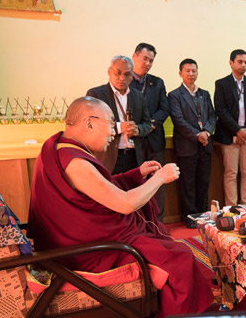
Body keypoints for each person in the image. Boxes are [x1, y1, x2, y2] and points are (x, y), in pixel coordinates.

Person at [28, 96, 213, 318]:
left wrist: (136, 174)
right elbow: (125, 204)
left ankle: (163, 308)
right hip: (85, 250)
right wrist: (159, 178)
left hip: (76, 238)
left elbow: (99, 189)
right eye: (110, 123)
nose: (114, 132)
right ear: (89, 122)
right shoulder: (74, 162)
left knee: (162, 239)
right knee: (180, 255)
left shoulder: (60, 146)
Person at [168, 58, 216, 227]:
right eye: (187, 71)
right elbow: (178, 121)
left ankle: (202, 215)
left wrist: (207, 132)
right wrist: (197, 135)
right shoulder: (174, 95)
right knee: (187, 183)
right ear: (180, 73)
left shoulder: (204, 93)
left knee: (203, 182)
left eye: (194, 71)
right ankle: (190, 217)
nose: (191, 74)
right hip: (187, 146)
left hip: (205, 145)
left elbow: (212, 116)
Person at [213, 49, 246, 206]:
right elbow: (220, 110)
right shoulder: (221, 84)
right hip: (229, 136)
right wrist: (237, 130)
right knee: (231, 173)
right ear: (231, 63)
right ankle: (232, 208)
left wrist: (245, 131)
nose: (243, 65)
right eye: (240, 62)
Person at [86, 55, 151, 174]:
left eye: (127, 74)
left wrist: (138, 129)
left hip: (134, 157)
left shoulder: (138, 96)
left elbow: (147, 124)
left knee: (134, 191)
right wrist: (121, 127)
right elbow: (92, 126)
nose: (122, 78)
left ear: (132, 76)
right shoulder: (96, 94)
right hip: (108, 156)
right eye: (118, 73)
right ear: (109, 72)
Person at [130, 43, 169, 220]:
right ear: (134, 56)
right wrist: (138, 128)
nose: (147, 63)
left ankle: (157, 220)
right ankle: (139, 220)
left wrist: (150, 125)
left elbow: (164, 108)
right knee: (136, 181)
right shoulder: (125, 81)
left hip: (154, 139)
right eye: (144, 58)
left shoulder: (157, 82)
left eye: (151, 61)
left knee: (157, 181)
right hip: (132, 142)